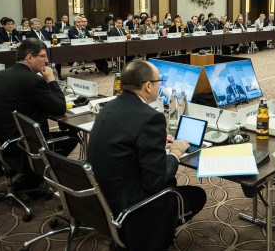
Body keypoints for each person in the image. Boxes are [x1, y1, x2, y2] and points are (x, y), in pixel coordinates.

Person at [87, 60, 206, 250]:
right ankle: (149, 237)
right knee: (197, 195)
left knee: (173, 185)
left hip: (100, 198)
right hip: (133, 208)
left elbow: (124, 139)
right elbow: (155, 181)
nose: (161, 86)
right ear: (148, 85)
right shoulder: (151, 118)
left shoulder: (110, 106)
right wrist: (174, 152)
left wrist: (154, 141)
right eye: (160, 81)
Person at [0, 38, 77, 185]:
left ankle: (31, 175)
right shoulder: (32, 80)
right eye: (43, 56)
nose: (47, 60)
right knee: (72, 138)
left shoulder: (1, 74)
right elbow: (59, 107)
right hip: (22, 145)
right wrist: (51, 80)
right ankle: (34, 176)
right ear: (29, 57)